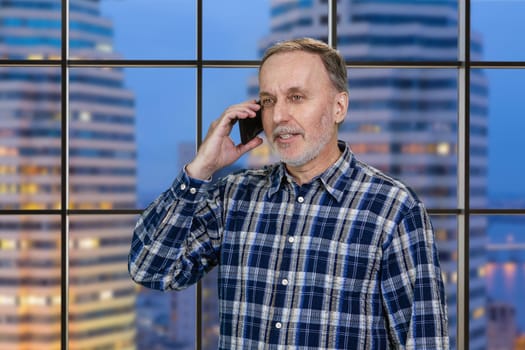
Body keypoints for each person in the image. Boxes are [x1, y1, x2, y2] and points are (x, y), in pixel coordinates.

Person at [129, 37, 449, 349]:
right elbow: (150, 269)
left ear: (339, 107)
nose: (279, 116)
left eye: (296, 97)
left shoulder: (393, 209)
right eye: (269, 100)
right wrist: (200, 169)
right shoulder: (233, 197)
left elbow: (424, 340)